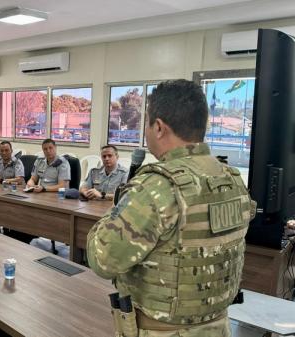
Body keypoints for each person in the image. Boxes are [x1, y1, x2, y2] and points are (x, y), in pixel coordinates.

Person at [86, 80, 256, 336]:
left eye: (146, 123)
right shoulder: (232, 179)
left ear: (158, 127)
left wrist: (115, 211)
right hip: (219, 327)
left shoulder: (156, 187)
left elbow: (102, 260)